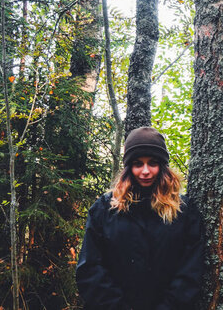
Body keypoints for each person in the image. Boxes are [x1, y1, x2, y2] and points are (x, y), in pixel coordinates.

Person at [76, 127, 204, 310]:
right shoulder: (105, 208)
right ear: (129, 167)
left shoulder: (184, 211)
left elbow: (190, 271)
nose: (145, 171)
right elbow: (90, 268)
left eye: (152, 163)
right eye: (138, 163)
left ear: (162, 166)